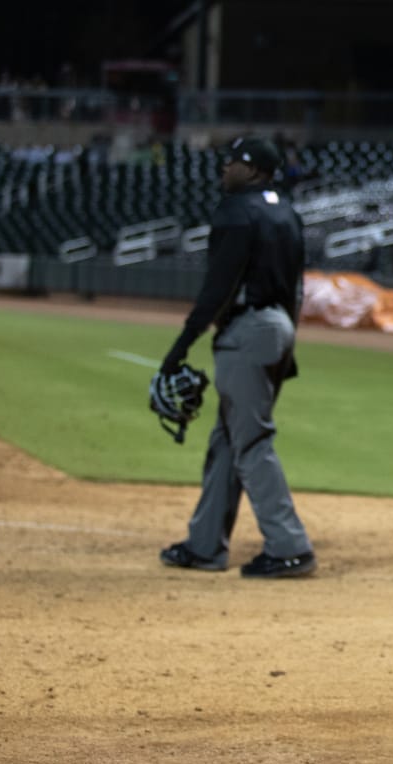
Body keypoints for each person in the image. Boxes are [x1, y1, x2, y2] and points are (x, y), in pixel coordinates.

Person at [157, 137, 314, 578]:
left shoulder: (236, 211)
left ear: (256, 170)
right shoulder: (286, 211)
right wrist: (286, 342)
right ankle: (205, 545)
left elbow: (218, 289)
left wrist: (178, 349)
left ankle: (290, 547)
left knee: (250, 441)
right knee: (227, 439)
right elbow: (295, 291)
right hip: (277, 328)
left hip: (247, 331)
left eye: (235, 161)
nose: (225, 167)